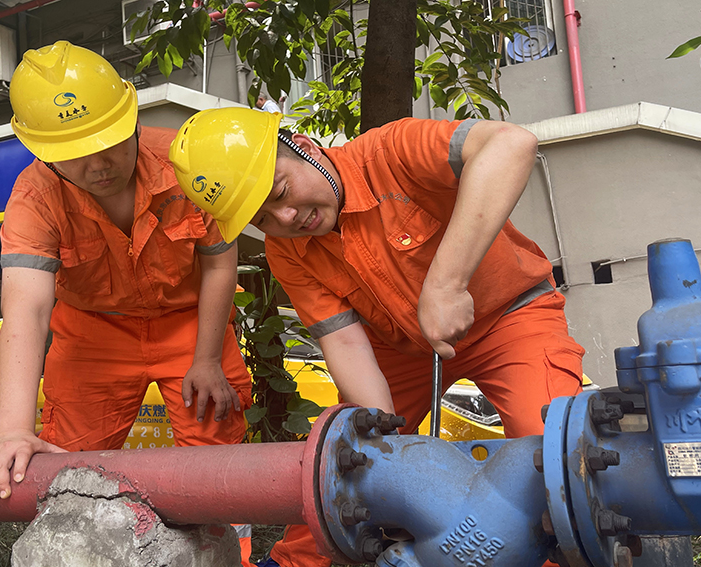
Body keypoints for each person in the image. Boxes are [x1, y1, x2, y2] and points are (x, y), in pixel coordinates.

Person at [170, 108, 586, 567]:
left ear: (304, 146)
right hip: (403, 351)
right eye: (263, 218)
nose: (286, 217)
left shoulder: (392, 151)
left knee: (554, 466)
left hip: (511, 320)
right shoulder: (287, 250)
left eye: (281, 191)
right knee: (343, 465)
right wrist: (386, 453)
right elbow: (345, 342)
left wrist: (447, 283)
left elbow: (512, 144)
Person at [0, 42, 253, 563]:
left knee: (218, 467)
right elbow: (28, 310)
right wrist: (13, 430)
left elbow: (219, 260)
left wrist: (208, 358)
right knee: (67, 470)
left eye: (108, 144)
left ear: (130, 120)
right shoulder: (34, 199)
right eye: (73, 154)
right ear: (41, 151)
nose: (98, 165)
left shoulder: (186, 163)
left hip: (190, 325)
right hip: (92, 334)